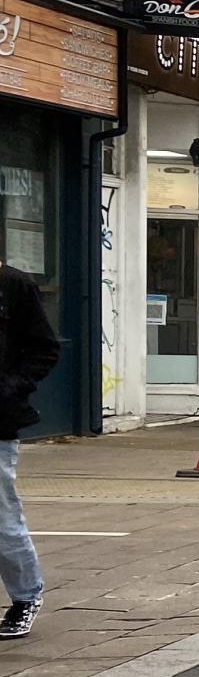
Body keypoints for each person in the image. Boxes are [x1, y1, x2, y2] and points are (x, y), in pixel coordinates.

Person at [0, 262, 60, 641]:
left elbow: (45, 350)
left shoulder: (13, 285)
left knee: (2, 517)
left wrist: (10, 386)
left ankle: (25, 595)